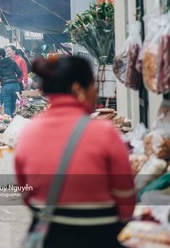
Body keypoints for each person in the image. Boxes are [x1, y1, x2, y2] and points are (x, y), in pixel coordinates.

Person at [15, 56, 135, 247]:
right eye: (93, 87)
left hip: (50, 237)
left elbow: (25, 193)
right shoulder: (104, 132)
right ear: (79, 89)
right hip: (100, 237)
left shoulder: (28, 132)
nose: (95, 93)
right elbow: (126, 197)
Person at [0, 48, 22, 116]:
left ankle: (8, 119)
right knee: (13, 104)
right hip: (15, 85)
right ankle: (13, 121)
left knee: (7, 105)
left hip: (5, 86)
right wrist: (17, 79)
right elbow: (19, 73)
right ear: (5, 54)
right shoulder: (12, 61)